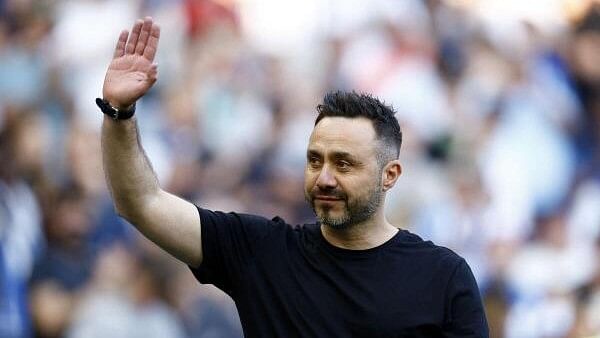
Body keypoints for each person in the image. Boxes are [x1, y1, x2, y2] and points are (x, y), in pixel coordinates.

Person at [100, 17, 489, 337]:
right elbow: (141, 202)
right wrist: (119, 112)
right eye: (314, 160)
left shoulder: (442, 277)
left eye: (344, 163)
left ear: (390, 175)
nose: (324, 178)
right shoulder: (261, 252)